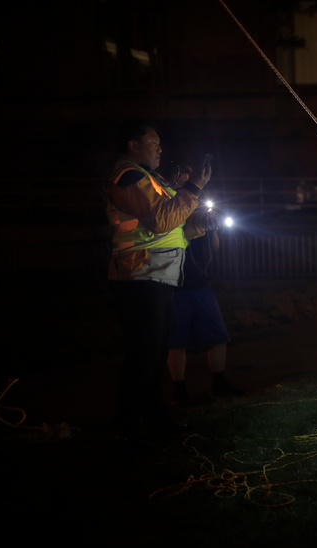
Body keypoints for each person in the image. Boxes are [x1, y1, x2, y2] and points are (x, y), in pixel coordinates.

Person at [106, 120, 212, 438]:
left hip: (155, 276)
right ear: (132, 145)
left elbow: (173, 226)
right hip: (139, 277)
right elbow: (162, 221)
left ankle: (154, 420)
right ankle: (127, 427)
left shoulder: (149, 179)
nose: (160, 148)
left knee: (154, 356)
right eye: (153, 142)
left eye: (160, 143)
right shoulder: (129, 177)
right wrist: (193, 189)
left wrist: (202, 225)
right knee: (144, 356)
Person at [167, 226, 243, 404]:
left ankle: (219, 384)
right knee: (177, 343)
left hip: (201, 286)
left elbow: (214, 247)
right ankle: (179, 390)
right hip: (175, 287)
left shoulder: (201, 216)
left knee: (218, 337)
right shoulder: (174, 212)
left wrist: (213, 229)